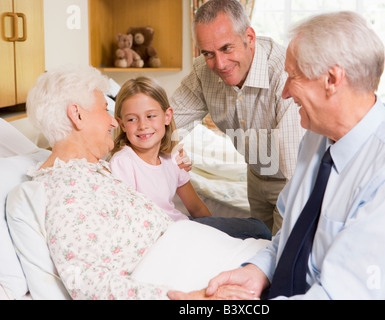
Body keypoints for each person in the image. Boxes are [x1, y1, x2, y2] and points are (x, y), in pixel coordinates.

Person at [169, 11, 385, 300]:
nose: (285, 92)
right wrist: (257, 271)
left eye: (293, 77)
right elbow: (291, 237)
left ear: (332, 79)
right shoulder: (316, 136)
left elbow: (341, 294)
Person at [25, 65, 260, 300]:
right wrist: (186, 298)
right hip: (177, 273)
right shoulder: (64, 189)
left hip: (190, 247)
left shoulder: (93, 171)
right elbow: (86, 282)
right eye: (105, 109)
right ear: (77, 115)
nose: (113, 122)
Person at [170, 0, 304, 235]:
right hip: (255, 173)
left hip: (291, 181)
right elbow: (168, 123)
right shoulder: (203, 71)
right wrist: (163, 154)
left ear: (249, 38)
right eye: (208, 53)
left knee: (282, 255)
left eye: (226, 48)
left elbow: (294, 168)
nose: (219, 64)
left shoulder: (283, 74)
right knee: (259, 244)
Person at [109, 76, 271, 240]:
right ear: (122, 124)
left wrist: (216, 237)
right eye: (132, 119)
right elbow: (126, 219)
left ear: (167, 116)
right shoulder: (123, 162)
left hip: (183, 226)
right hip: (165, 235)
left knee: (259, 227)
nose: (143, 125)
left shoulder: (172, 158)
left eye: (150, 116)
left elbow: (196, 207)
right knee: (260, 231)